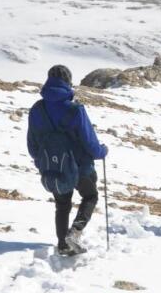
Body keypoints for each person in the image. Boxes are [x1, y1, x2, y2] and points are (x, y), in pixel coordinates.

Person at [27, 64, 108, 256]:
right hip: (80, 166)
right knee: (90, 196)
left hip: (52, 166)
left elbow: (32, 144)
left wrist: (43, 162)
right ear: (68, 82)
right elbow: (90, 142)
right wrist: (101, 152)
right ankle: (76, 232)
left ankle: (63, 244)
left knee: (62, 204)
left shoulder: (37, 109)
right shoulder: (74, 109)